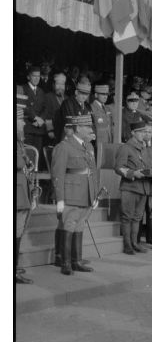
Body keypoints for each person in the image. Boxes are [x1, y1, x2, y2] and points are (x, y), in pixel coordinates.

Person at [51, 114, 99, 276]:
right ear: (78, 128)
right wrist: (60, 199)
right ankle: (65, 262)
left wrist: (95, 194)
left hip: (86, 192)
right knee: (69, 225)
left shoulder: (89, 147)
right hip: (71, 193)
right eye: (88, 127)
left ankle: (76, 261)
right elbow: (58, 174)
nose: (91, 130)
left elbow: (93, 172)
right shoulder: (64, 146)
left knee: (79, 226)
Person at [115, 121, 151, 255]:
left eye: (144, 132)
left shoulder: (144, 148)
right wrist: (132, 173)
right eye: (140, 132)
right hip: (130, 187)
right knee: (127, 217)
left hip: (143, 187)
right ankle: (127, 245)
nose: (143, 134)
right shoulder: (126, 147)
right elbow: (118, 167)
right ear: (133, 133)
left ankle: (135, 243)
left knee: (137, 218)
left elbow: (147, 166)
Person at [16, 92, 34, 284]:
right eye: (20, 122)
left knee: (18, 231)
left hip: (22, 190)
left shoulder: (19, 141)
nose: (23, 125)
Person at [22, 66, 48, 170]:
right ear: (28, 77)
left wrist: (41, 119)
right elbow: (24, 106)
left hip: (39, 129)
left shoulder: (41, 91)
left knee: (37, 158)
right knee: (27, 157)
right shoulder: (22, 89)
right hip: (28, 127)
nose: (37, 78)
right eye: (34, 76)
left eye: (38, 76)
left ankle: (35, 184)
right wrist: (35, 118)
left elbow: (45, 108)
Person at [44, 72, 67, 146]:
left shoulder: (67, 98)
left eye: (62, 84)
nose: (60, 87)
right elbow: (47, 115)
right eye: (58, 84)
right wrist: (50, 130)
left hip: (65, 133)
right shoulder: (48, 97)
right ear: (53, 85)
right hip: (53, 133)